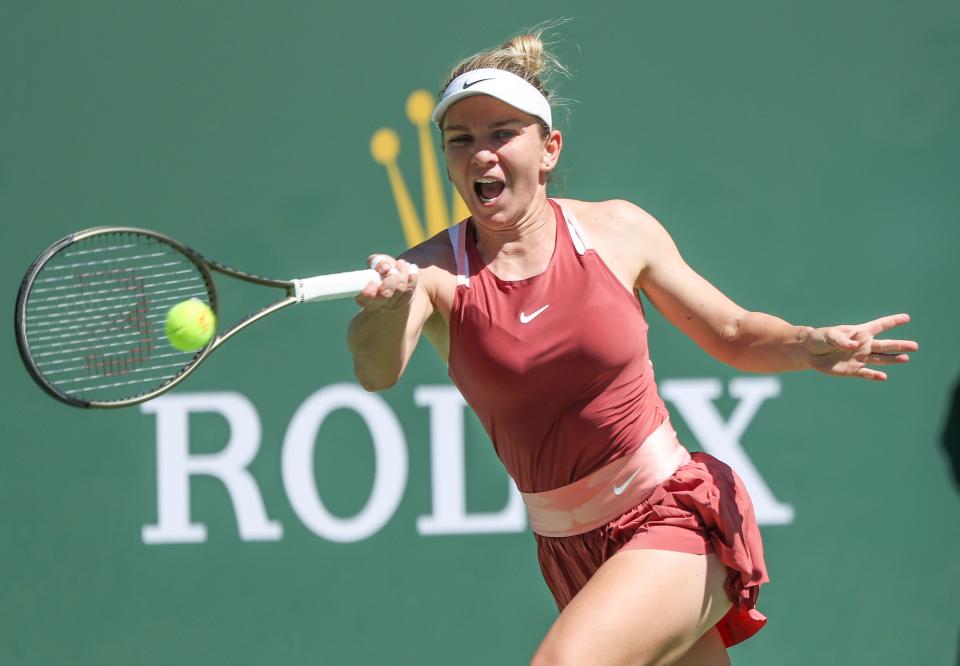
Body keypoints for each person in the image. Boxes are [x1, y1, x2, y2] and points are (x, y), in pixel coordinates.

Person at [348, 29, 918, 666]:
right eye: (462, 140)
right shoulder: (427, 273)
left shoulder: (617, 230)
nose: (482, 154)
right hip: (568, 548)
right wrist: (386, 309)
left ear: (548, 151)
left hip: (669, 513)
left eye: (502, 133)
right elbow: (377, 370)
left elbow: (730, 332)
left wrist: (808, 345)